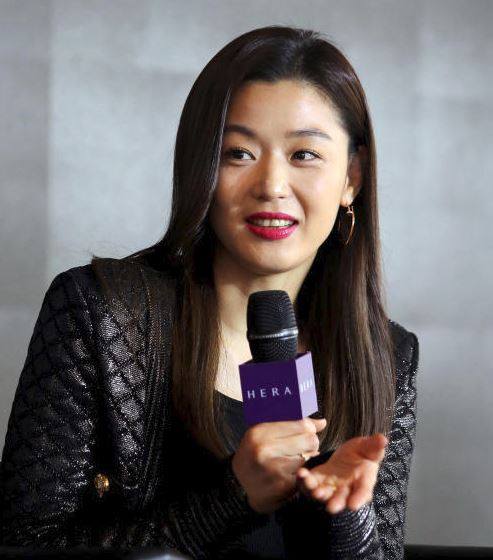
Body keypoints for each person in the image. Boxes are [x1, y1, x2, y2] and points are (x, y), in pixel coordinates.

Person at [0, 25, 420, 559]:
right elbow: (24, 543)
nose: (271, 185)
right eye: (239, 153)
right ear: (202, 166)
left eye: (304, 155)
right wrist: (232, 497)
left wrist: (345, 516)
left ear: (351, 178)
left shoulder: (389, 355)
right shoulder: (100, 313)